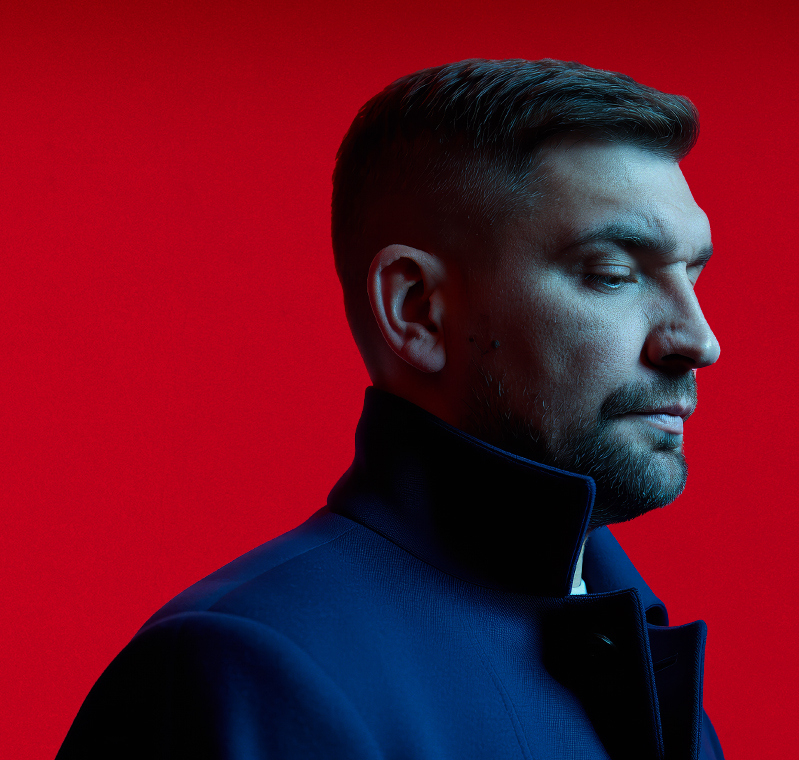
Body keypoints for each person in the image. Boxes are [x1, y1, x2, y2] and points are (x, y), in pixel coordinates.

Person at [58, 58, 724, 760]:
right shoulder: (244, 672)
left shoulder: (631, 650)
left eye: (694, 273)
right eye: (613, 275)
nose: (699, 341)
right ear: (416, 309)